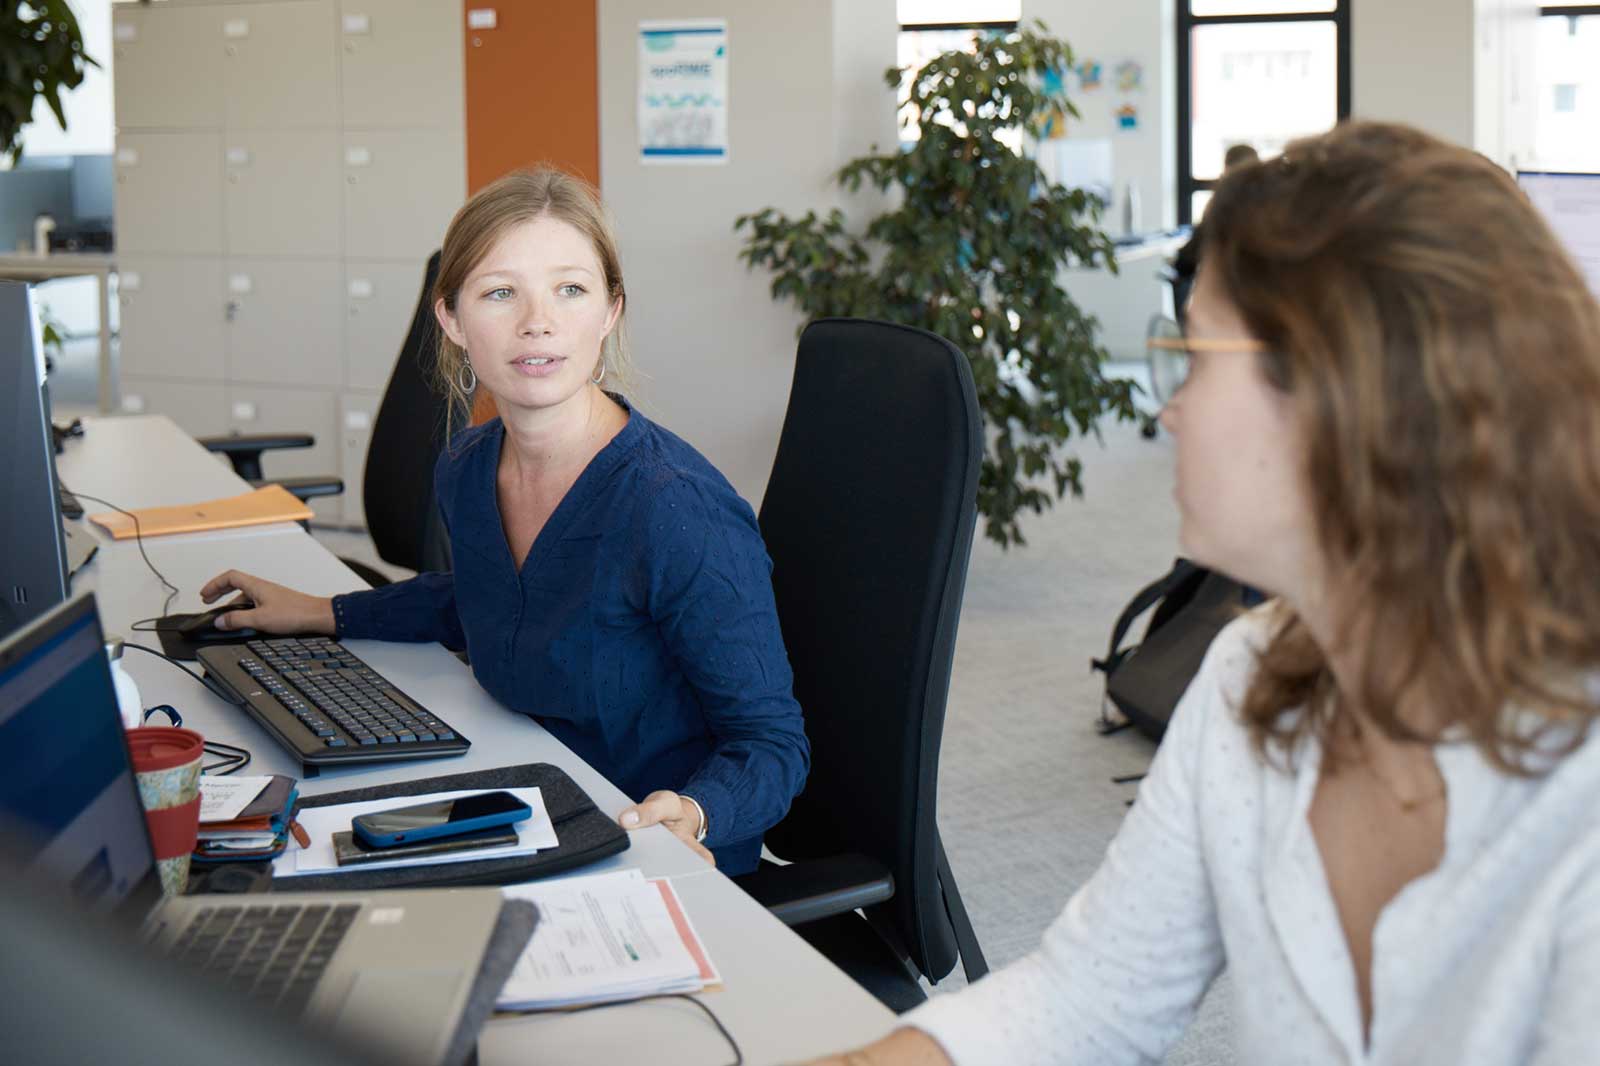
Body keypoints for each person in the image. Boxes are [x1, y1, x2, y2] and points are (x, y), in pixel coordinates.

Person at [812, 121, 1600, 1064]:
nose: (1169, 408)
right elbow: (1086, 1002)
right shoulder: (1249, 677)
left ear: (1344, 398)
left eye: (1198, 358)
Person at [199, 168, 809, 875]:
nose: (538, 322)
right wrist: (323, 612)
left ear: (611, 311)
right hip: (525, 789)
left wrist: (698, 809)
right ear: (453, 319)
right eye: (499, 293)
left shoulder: (672, 509)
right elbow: (486, 602)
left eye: (570, 289)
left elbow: (771, 744)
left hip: (647, 842)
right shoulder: (468, 465)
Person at [1170, 142, 1259, 327]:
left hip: (1226, 294)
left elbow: (1191, 254)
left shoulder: (1222, 204)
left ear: (1227, 170)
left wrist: (1178, 264)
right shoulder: (1274, 203)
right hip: (1264, 297)